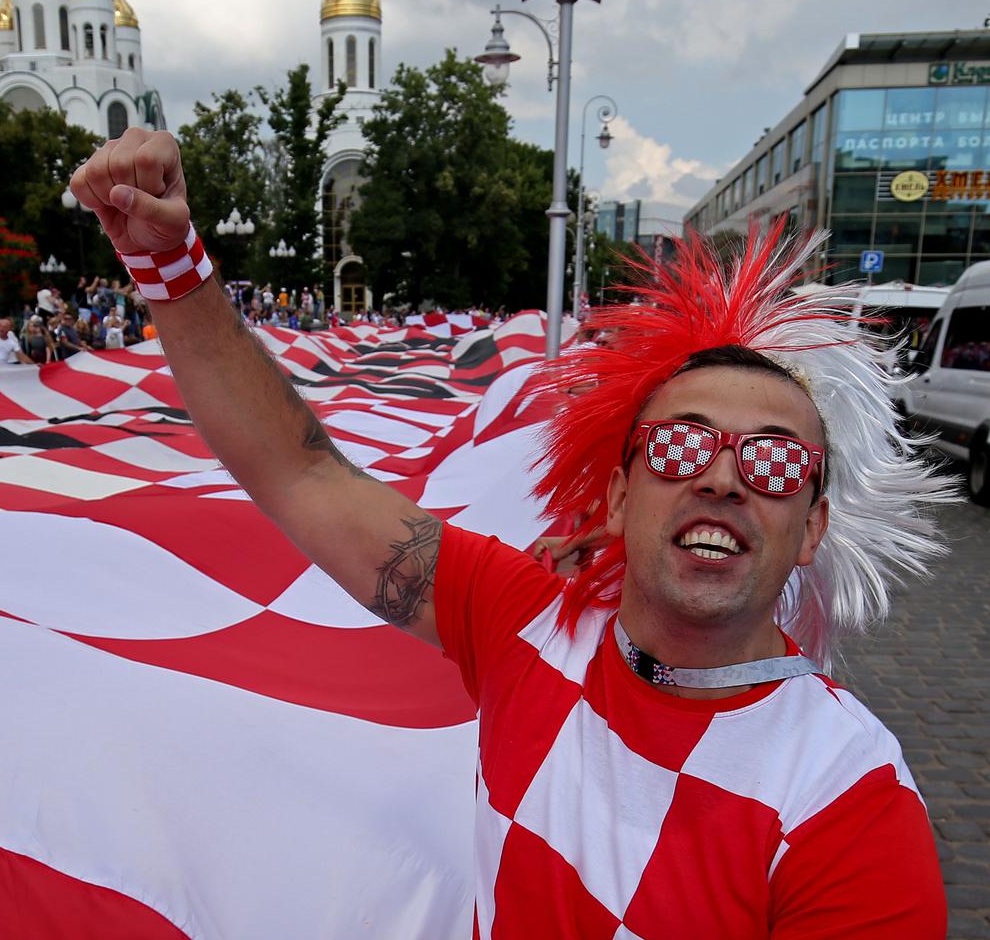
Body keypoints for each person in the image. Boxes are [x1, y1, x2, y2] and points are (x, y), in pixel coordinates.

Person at [70, 129, 952, 936]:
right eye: (682, 444)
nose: (721, 476)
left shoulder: (851, 801)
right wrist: (171, 267)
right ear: (615, 496)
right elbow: (301, 472)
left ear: (812, 528)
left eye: (771, 463)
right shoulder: (525, 622)